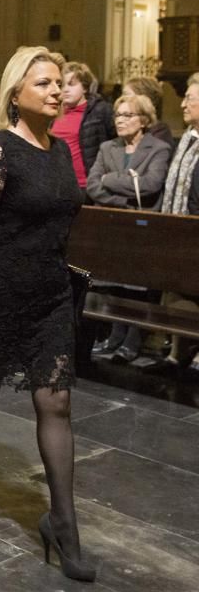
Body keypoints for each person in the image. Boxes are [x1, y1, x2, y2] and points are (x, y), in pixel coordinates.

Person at [0, 46, 95, 582]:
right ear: (17, 93)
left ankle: (63, 521)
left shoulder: (59, 151)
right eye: (45, 83)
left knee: (55, 401)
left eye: (60, 82)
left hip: (51, 294)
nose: (57, 90)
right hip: (0, 293)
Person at [85, 93, 170, 363]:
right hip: (114, 223)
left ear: (143, 120)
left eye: (127, 115)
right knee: (113, 283)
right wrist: (124, 196)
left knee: (136, 285)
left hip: (141, 227)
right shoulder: (107, 147)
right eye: (118, 115)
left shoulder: (158, 149)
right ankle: (114, 336)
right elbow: (93, 185)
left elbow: (150, 185)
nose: (120, 120)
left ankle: (132, 340)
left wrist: (110, 180)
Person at [160, 77, 199, 371]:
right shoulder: (188, 139)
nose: (183, 103)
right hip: (182, 229)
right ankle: (178, 349)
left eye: (189, 98)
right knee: (176, 290)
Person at [51, 61, 115, 192]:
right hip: (58, 184)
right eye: (62, 85)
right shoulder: (53, 112)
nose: (65, 89)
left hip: (87, 185)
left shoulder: (100, 110)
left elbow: (115, 144)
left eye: (72, 84)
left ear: (85, 87)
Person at [122, 76, 174, 151]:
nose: (121, 100)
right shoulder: (123, 125)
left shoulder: (160, 132)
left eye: (126, 95)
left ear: (145, 99)